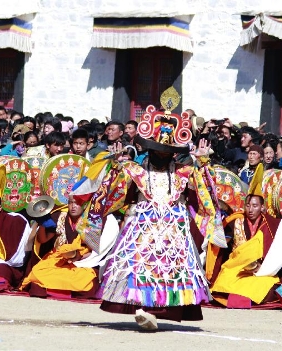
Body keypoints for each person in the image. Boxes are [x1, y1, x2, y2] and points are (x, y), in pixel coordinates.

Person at [73, 95, 225, 330]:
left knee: (171, 267)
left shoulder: (185, 171)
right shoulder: (134, 170)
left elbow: (205, 193)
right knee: (139, 265)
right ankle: (143, 308)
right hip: (143, 223)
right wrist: (113, 165)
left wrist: (204, 164)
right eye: (158, 150)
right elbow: (111, 191)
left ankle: (164, 309)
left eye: (168, 151)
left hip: (174, 226)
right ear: (150, 149)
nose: (163, 154)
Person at [210, 172, 282, 309]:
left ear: (262, 208)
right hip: (236, 270)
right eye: (248, 205)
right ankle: (243, 298)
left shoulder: (271, 225)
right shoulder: (235, 221)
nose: (250, 209)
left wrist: (264, 268)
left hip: (259, 272)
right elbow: (220, 246)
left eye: (255, 206)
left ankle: (242, 298)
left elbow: (276, 252)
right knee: (223, 282)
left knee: (266, 285)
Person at [21, 196, 101, 299]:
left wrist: (79, 256)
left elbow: (95, 250)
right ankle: (66, 290)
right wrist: (42, 221)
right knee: (38, 272)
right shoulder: (59, 217)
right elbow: (43, 240)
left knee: (86, 277)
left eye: (77, 203)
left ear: (84, 206)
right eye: (71, 203)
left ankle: (54, 289)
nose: (73, 206)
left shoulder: (90, 222)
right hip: (57, 260)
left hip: (79, 262)